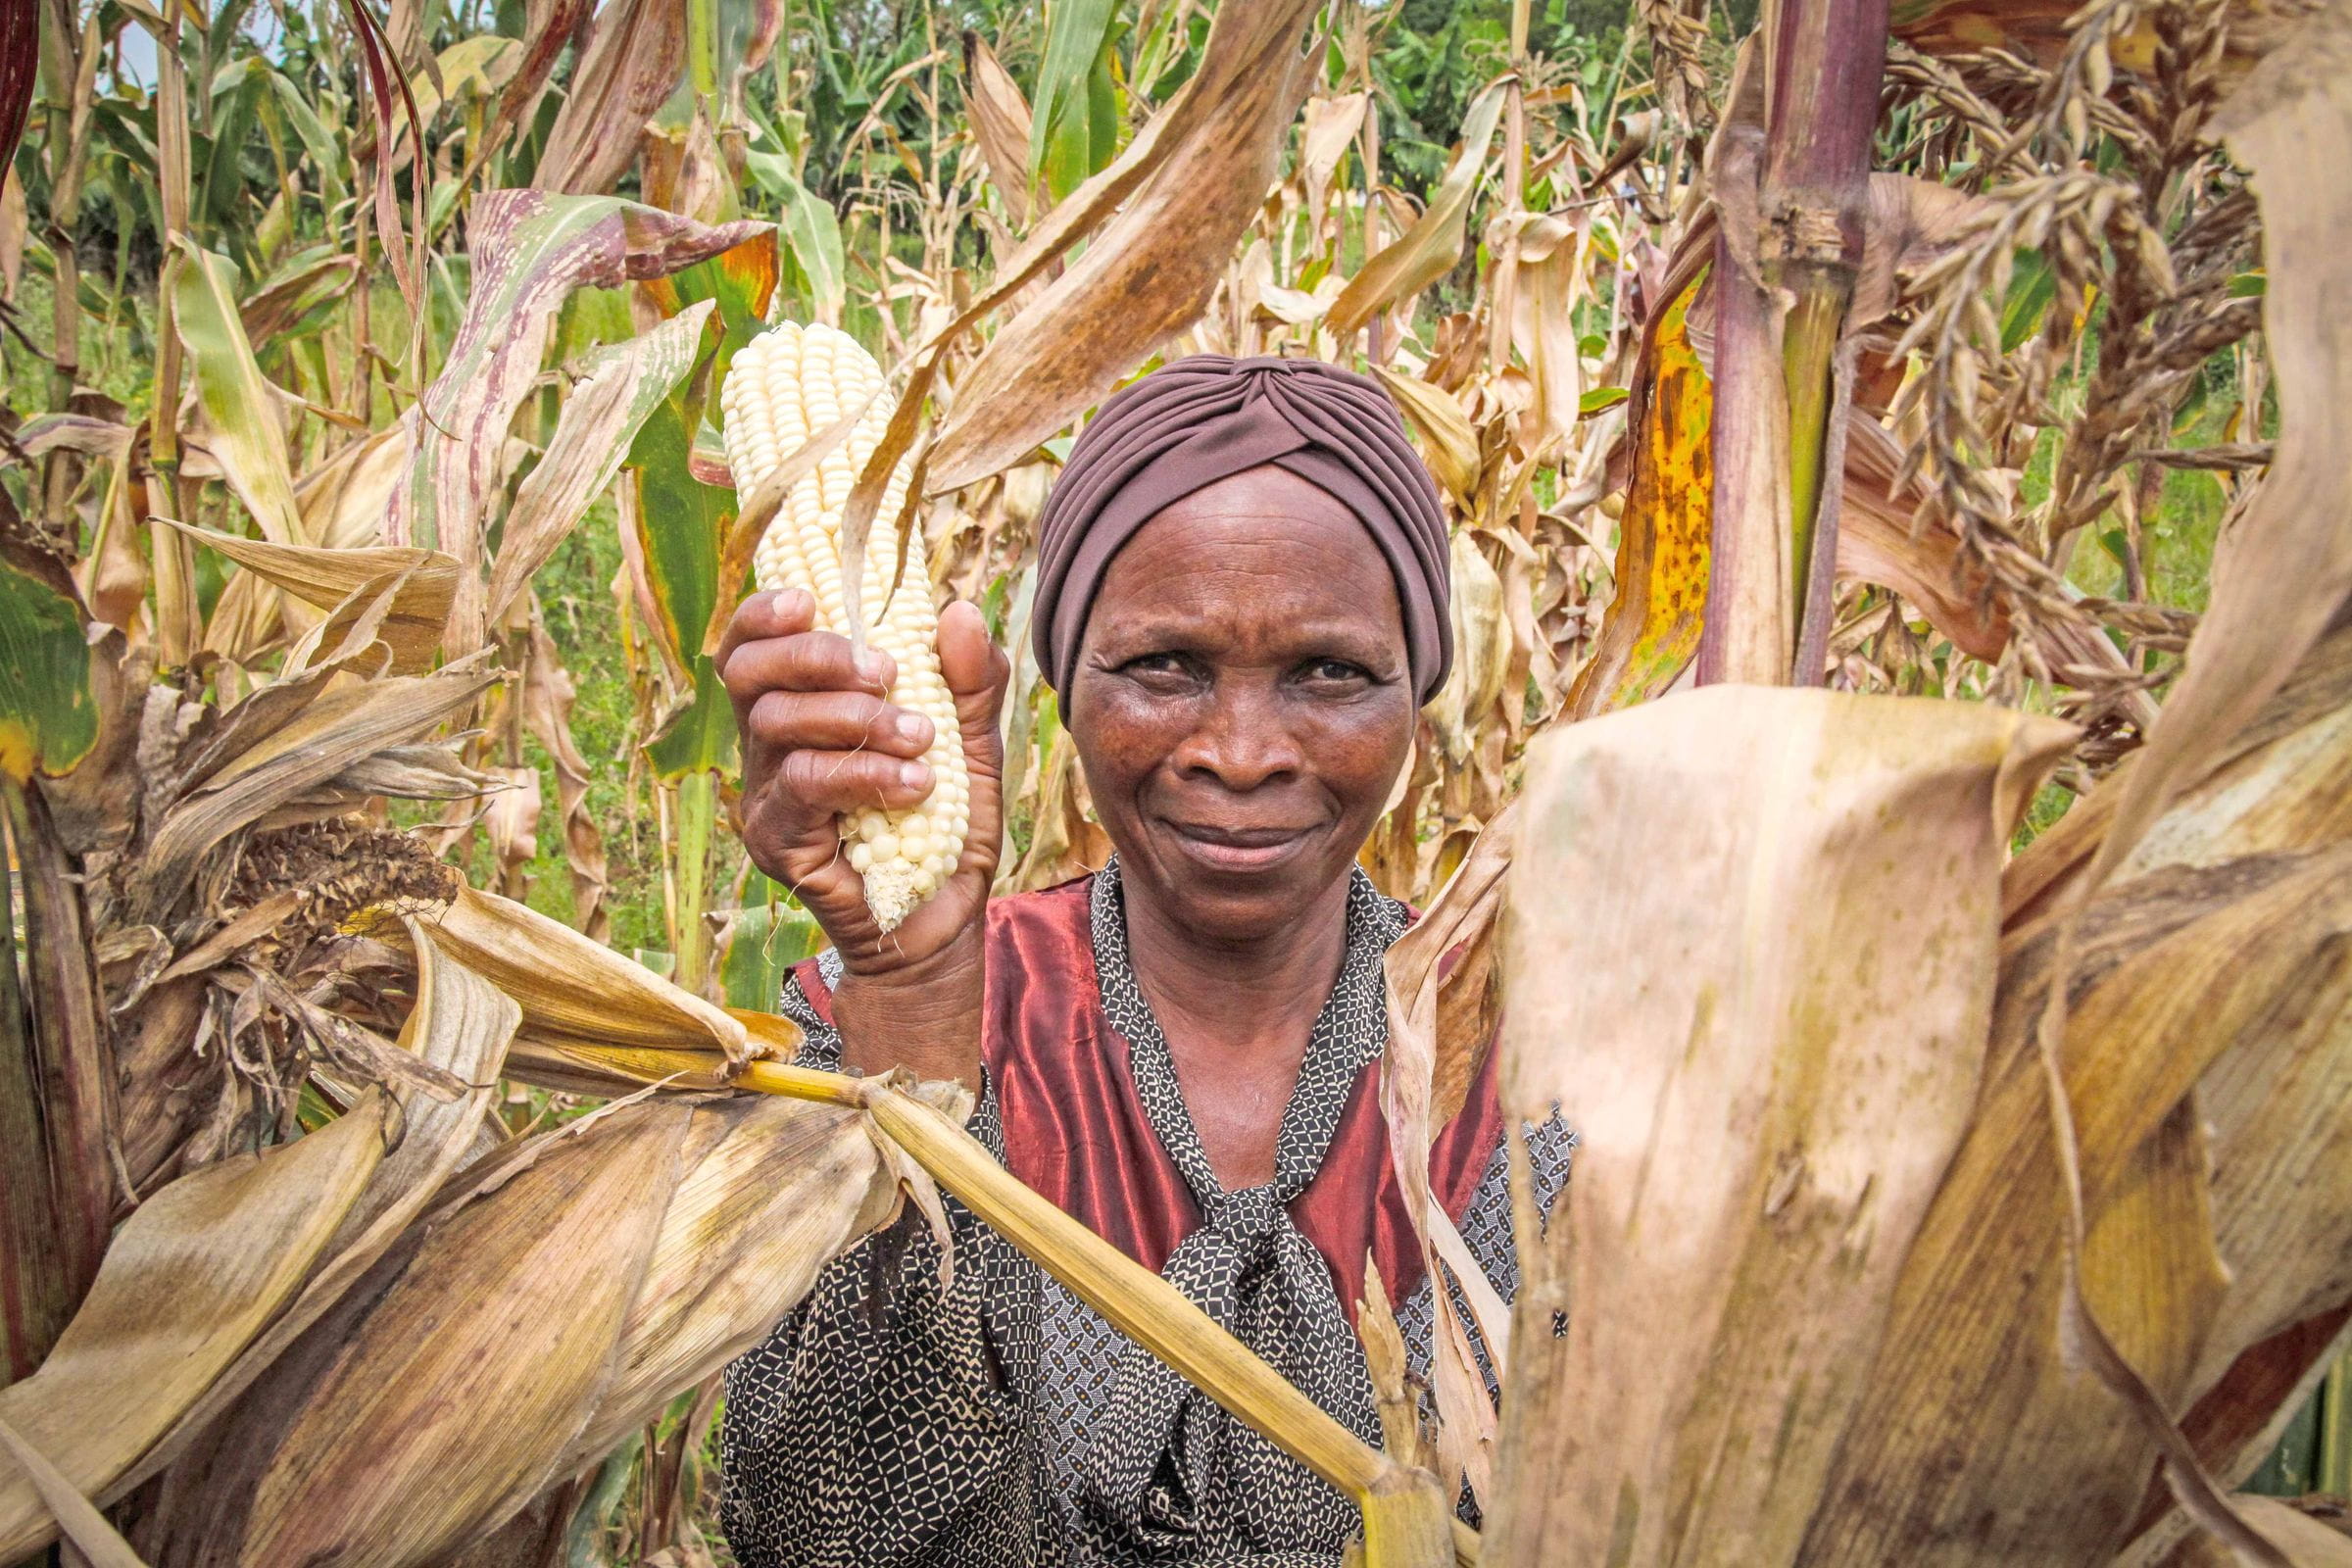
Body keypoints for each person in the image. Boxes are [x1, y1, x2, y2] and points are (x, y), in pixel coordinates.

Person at [714, 355, 1571, 1568]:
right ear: (1062, 688)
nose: (1240, 751)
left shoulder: (1539, 1074)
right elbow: (813, 1538)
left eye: (1330, 672)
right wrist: (907, 1001)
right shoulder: (863, 1027)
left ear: (1418, 694)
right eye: (1165, 666)